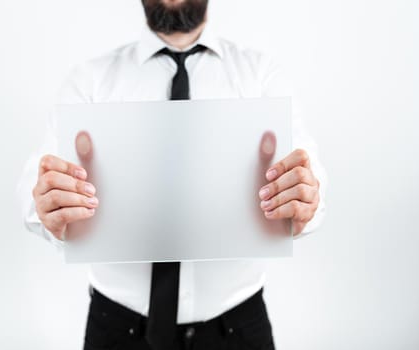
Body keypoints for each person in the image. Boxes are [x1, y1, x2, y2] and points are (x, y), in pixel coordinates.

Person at [17, 0, 328, 349]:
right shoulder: (89, 80)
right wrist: (49, 210)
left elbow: (310, 180)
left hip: (238, 328)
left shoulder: (260, 73)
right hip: (117, 329)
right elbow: (34, 193)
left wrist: (304, 203)